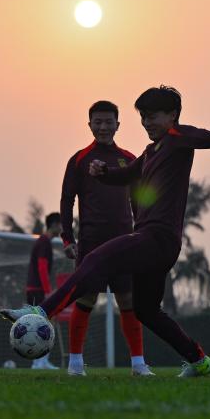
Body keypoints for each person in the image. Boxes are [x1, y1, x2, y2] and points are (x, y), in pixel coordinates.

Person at [2, 86, 210, 377]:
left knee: (95, 259)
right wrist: (104, 173)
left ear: (172, 115)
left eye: (153, 116)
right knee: (146, 311)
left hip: (157, 237)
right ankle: (199, 361)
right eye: (144, 117)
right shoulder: (150, 152)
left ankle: (41, 312)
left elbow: (209, 137)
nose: (147, 123)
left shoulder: (179, 136)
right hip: (155, 243)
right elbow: (126, 175)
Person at [60, 100, 151, 376]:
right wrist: (68, 239)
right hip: (91, 242)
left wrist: (143, 232)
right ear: (89, 125)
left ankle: (138, 365)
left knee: (128, 302)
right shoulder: (79, 159)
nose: (103, 127)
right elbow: (67, 200)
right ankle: (75, 364)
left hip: (124, 242)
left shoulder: (129, 158)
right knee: (85, 300)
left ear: (117, 125)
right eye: (97, 122)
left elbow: (139, 200)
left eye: (108, 122)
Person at [26, 213, 62, 369]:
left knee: (47, 323)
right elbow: (41, 267)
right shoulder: (43, 242)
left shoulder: (46, 242)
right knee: (40, 324)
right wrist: (47, 291)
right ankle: (37, 362)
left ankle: (43, 361)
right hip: (37, 290)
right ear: (54, 225)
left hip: (37, 289)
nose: (62, 228)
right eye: (61, 224)